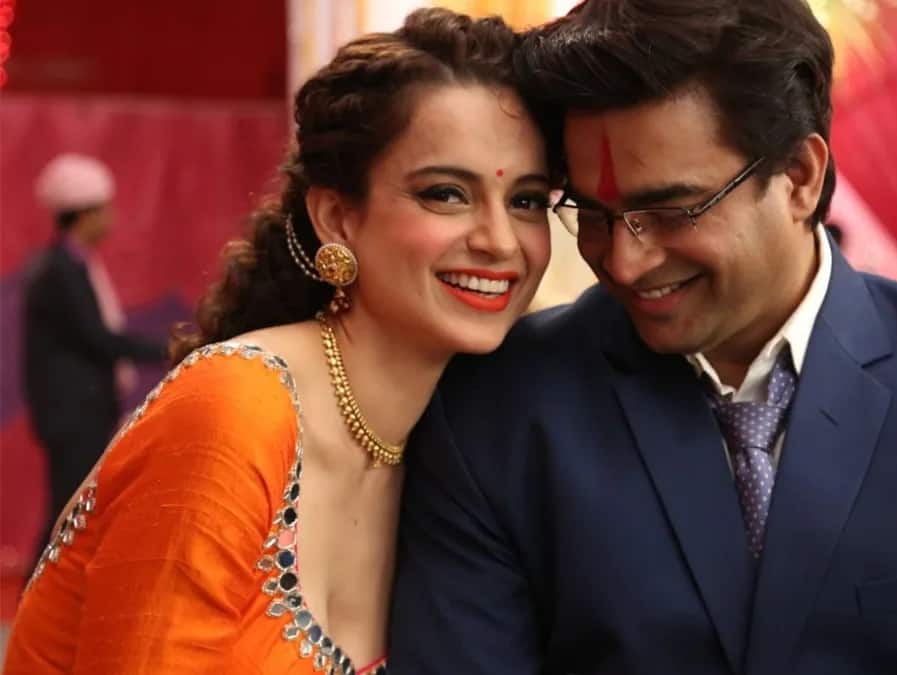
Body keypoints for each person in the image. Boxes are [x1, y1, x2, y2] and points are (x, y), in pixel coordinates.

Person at [391, 1, 897, 673]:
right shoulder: (496, 410)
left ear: (800, 176)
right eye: (592, 214)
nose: (624, 261)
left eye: (673, 210)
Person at [5, 9, 552, 674]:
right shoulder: (236, 410)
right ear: (337, 218)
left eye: (527, 200)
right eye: (446, 193)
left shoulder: (445, 441)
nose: (500, 241)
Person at [22, 153, 165, 568]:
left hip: (82, 411)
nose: (112, 218)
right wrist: (167, 349)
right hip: (73, 415)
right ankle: (37, 595)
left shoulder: (75, 265)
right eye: (105, 209)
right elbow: (97, 338)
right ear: (85, 215)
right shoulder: (61, 271)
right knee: (67, 512)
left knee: (75, 511)